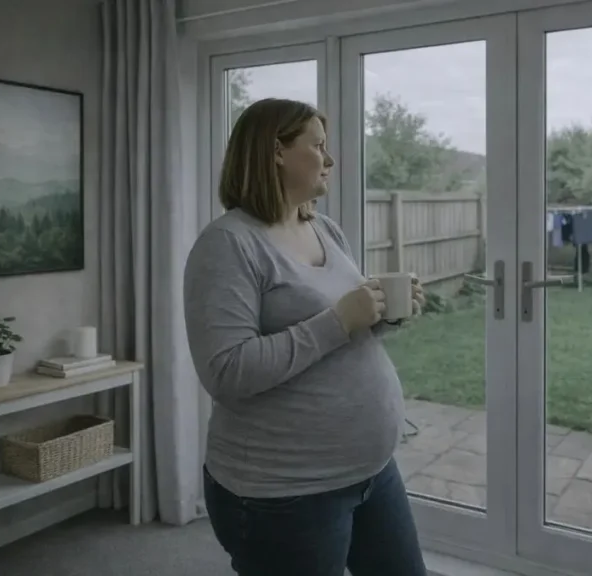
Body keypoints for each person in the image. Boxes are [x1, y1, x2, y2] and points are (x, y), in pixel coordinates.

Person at [183, 98, 428, 576]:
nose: (329, 159)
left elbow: (342, 330)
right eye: (317, 146)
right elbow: (227, 371)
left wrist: (383, 314)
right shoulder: (227, 244)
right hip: (286, 492)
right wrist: (339, 320)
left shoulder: (324, 228)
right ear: (276, 151)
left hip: (372, 471)